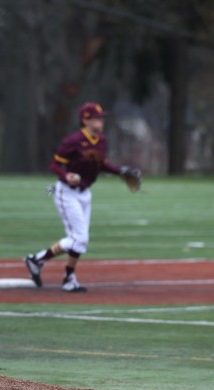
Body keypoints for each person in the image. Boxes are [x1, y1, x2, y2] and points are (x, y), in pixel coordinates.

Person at [25, 102, 130, 292]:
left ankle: (37, 260)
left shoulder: (102, 141)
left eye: (101, 117)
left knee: (77, 239)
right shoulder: (74, 140)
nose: (101, 121)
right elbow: (54, 165)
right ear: (85, 120)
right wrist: (66, 176)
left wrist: (121, 171)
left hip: (85, 193)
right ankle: (67, 277)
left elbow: (102, 164)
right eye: (97, 118)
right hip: (67, 193)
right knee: (80, 239)